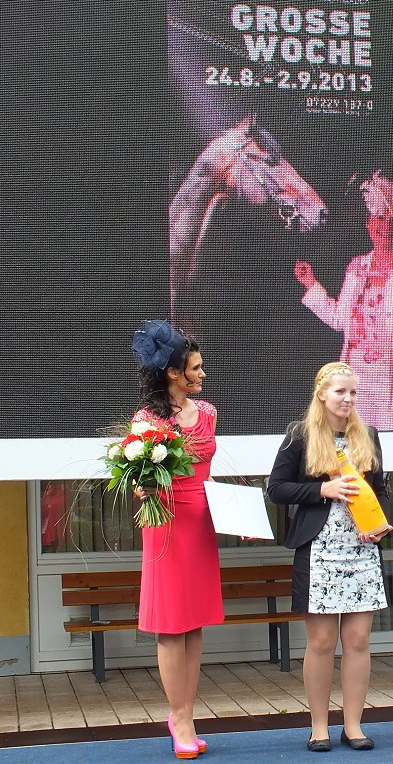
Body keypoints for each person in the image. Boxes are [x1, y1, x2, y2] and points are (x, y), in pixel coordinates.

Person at [267, 361, 393, 752]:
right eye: (340, 392)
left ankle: (353, 726)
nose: (348, 399)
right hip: (319, 549)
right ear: (321, 393)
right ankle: (319, 727)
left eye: (353, 393)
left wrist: (378, 524)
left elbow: (381, 489)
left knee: (357, 640)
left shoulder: (368, 435)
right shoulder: (299, 436)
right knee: (321, 642)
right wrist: (323, 490)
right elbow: (277, 489)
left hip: (361, 549)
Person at [130, 320, 222, 759]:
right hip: (166, 521)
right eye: (196, 368)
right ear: (173, 373)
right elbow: (138, 478)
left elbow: (208, 472)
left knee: (195, 619)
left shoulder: (207, 413)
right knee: (172, 623)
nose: (203, 375)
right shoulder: (146, 420)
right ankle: (179, 716)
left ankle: (187, 710)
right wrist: (142, 487)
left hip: (201, 519)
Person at [295, 170, 393, 430]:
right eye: (378, 218)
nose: (385, 227)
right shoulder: (357, 267)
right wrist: (311, 284)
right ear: (368, 223)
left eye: (392, 220)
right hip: (357, 384)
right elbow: (340, 320)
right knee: (359, 457)